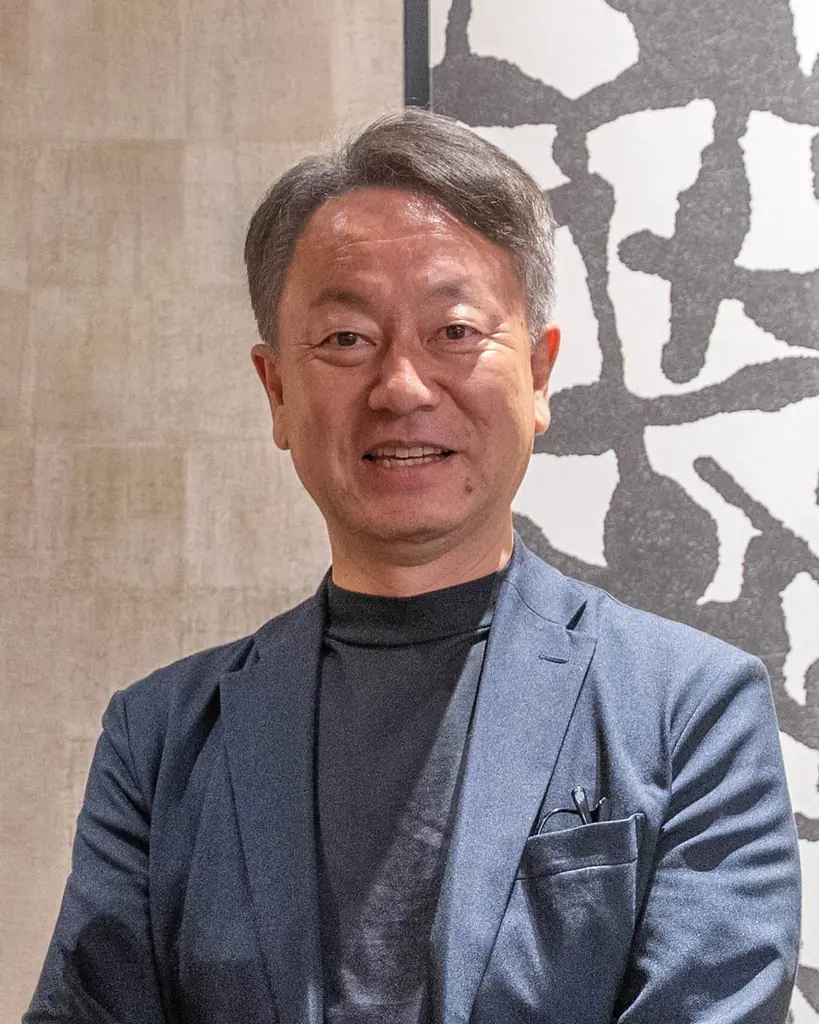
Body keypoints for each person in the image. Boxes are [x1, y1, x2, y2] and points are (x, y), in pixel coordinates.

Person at [25, 109, 800, 1024]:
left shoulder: (691, 710)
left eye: (455, 330)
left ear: (539, 376)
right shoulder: (159, 738)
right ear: (277, 391)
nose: (400, 386)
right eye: (346, 339)